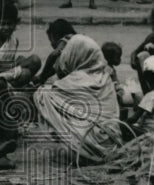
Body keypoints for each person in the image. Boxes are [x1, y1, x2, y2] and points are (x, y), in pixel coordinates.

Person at [33, 33, 121, 164]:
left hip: (83, 149)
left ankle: (81, 151)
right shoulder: (106, 78)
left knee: (41, 95)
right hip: (112, 146)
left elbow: (43, 95)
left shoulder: (73, 80)